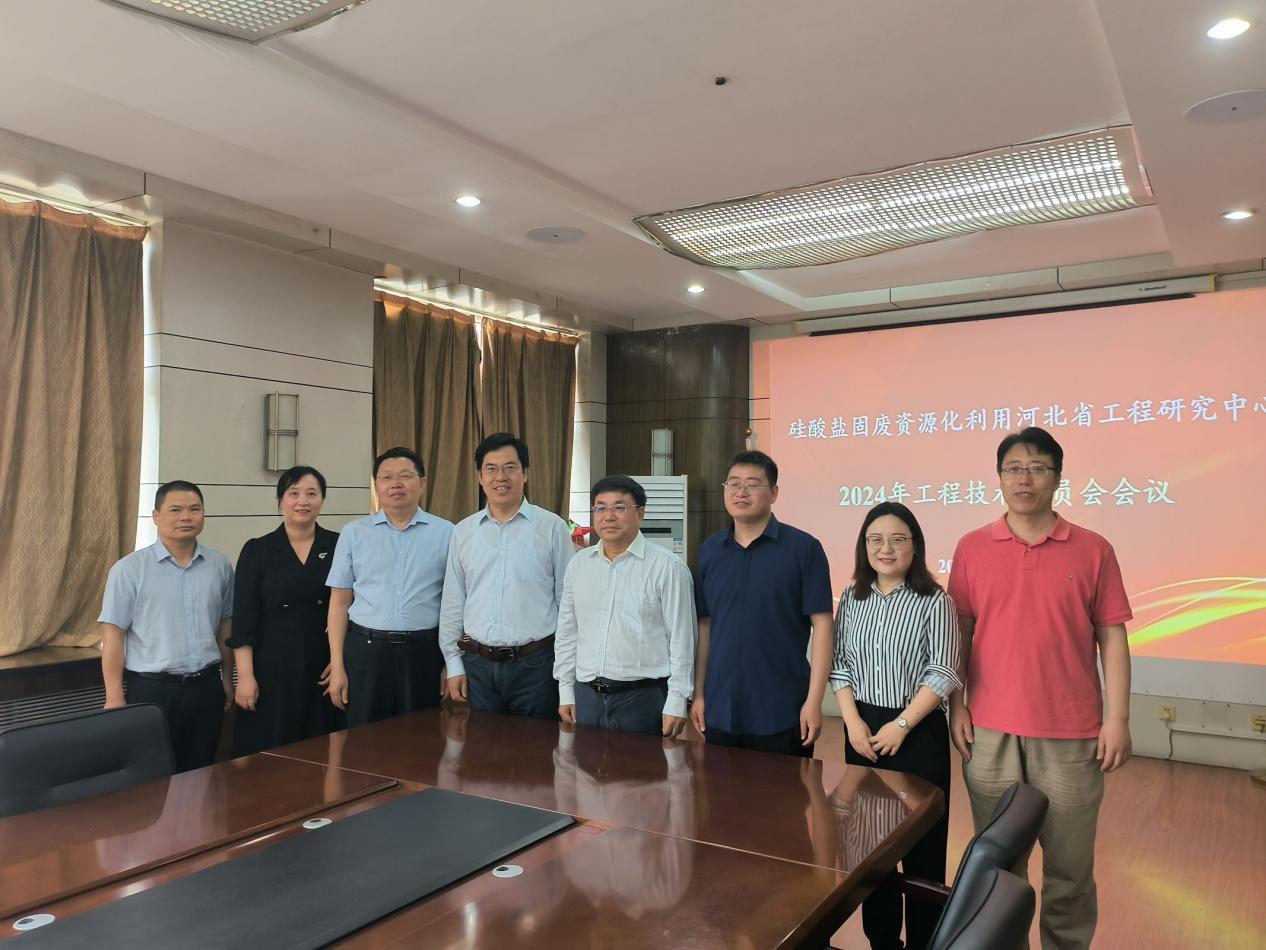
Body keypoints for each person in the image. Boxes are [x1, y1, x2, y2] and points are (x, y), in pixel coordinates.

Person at [947, 427, 1132, 950]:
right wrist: (956, 705)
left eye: (1037, 468)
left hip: (1072, 733)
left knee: (1069, 872)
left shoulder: (1093, 549)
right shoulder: (972, 547)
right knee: (998, 869)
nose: (1024, 479)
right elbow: (958, 634)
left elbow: (1112, 637)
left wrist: (1117, 719)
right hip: (989, 733)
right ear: (999, 477)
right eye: (1013, 468)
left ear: (1057, 478)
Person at [831, 502, 961, 950]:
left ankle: (925, 942)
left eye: (897, 539)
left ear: (915, 546)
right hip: (862, 731)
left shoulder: (935, 600)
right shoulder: (852, 597)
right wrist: (852, 723)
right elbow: (840, 665)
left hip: (917, 732)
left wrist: (901, 725)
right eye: (875, 540)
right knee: (871, 850)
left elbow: (943, 670)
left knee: (923, 850)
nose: (885, 548)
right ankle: (883, 942)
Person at [690, 450, 833, 757]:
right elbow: (705, 624)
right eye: (733, 483)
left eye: (753, 484)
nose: (741, 492)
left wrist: (814, 701)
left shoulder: (803, 548)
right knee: (719, 788)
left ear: (774, 493)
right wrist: (699, 693)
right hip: (720, 706)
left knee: (785, 789)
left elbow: (822, 624)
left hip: (782, 709)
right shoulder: (710, 551)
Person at [99, 480, 233, 773]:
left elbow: (225, 627)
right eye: (175, 510)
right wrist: (114, 696)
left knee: (201, 771)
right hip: (151, 689)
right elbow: (113, 634)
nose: (186, 517)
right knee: (150, 776)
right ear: (156, 516)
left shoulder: (220, 565)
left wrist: (227, 679)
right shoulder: (128, 570)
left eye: (194, 509)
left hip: (206, 687)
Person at [440, 432, 574, 719]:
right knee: (483, 746)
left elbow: (567, 603)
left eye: (510, 467)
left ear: (525, 473)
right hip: (478, 665)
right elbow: (453, 601)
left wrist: (566, 674)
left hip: (537, 665)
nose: (500, 477)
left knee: (536, 745)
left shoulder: (552, 528)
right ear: (480, 477)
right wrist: (453, 663)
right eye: (491, 469)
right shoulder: (463, 531)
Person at [554, 475, 696, 737]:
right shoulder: (578, 565)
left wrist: (678, 699)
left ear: (640, 513)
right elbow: (567, 633)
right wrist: (565, 689)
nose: (608, 516)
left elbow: (682, 638)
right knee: (583, 763)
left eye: (619, 507)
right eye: (600, 508)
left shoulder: (668, 567)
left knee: (644, 765)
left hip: (642, 699)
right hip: (586, 697)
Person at [323, 447, 454, 726]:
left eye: (405, 475)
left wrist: (450, 663)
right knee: (364, 739)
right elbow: (339, 603)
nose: (396, 483)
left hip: (424, 653)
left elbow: (454, 604)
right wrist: (337, 665)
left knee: (421, 736)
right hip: (365, 652)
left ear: (422, 483)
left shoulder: (447, 533)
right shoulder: (353, 533)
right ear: (377, 486)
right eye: (387, 477)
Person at [228, 466, 342, 756]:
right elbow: (244, 620)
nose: (303, 501)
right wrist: (245, 677)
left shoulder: (340, 545)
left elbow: (351, 606)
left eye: (312, 493)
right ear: (280, 501)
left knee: (322, 745)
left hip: (324, 661)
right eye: (293, 493)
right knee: (271, 745)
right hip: (271, 662)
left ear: (322, 501)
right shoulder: (257, 550)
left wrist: (340, 661)